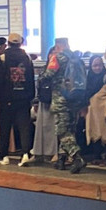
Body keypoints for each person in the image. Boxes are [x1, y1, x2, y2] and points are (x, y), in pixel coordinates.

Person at [37, 37, 87, 173]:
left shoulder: (57, 57)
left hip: (61, 99)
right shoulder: (77, 58)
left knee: (62, 131)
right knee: (69, 129)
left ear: (58, 45)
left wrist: (40, 75)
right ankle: (61, 160)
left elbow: (48, 74)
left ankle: (77, 157)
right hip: (75, 99)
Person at [0, 33, 35, 167]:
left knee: (4, 127)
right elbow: (31, 80)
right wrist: (30, 95)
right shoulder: (27, 58)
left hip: (7, 98)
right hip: (23, 98)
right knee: (24, 127)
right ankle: (25, 154)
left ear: (8, 43)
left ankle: (3, 155)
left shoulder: (3, 57)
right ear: (20, 43)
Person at [83, 55, 106, 159]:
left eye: (100, 65)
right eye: (94, 65)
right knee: (93, 132)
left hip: (104, 114)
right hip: (92, 114)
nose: (97, 68)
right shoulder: (88, 80)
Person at [32, 47, 59, 162]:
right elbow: (39, 85)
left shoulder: (61, 70)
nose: (52, 56)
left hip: (56, 101)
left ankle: (54, 152)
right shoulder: (44, 69)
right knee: (41, 127)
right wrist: (36, 101)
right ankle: (38, 152)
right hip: (43, 100)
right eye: (51, 54)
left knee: (54, 128)